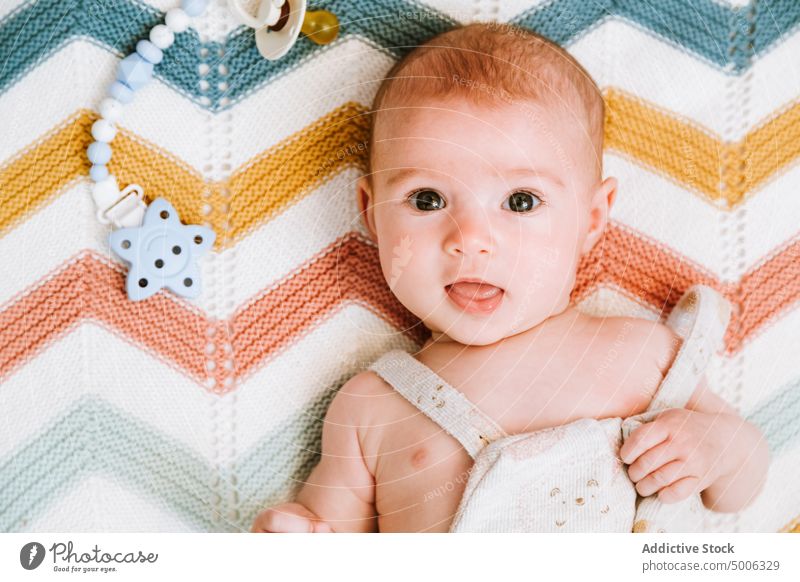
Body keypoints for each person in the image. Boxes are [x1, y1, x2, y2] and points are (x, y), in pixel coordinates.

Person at [251, 22, 769, 533]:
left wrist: (714, 448)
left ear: (591, 220)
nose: (471, 239)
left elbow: (740, 485)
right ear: (372, 214)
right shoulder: (371, 408)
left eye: (520, 202)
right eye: (427, 200)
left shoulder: (642, 354)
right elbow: (331, 532)